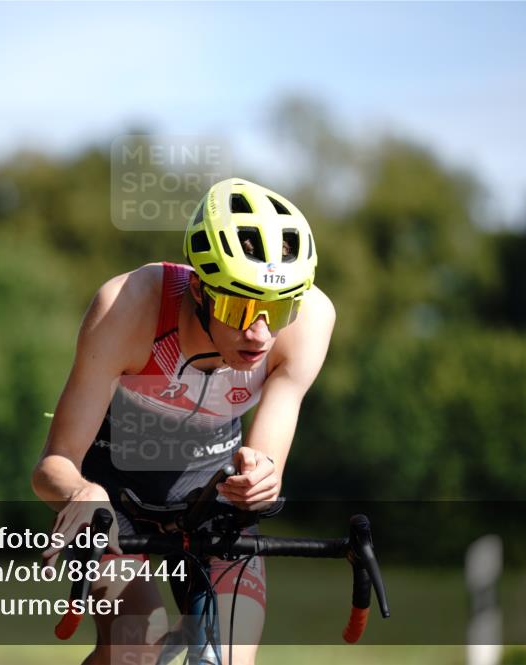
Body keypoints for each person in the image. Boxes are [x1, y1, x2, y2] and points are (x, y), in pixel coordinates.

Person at [31, 178, 336, 665]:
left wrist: (261, 479)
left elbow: (263, 465)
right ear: (199, 287)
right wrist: (79, 494)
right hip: (116, 500)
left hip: (209, 506)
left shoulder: (309, 320)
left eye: (277, 309)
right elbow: (53, 465)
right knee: (138, 649)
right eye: (240, 307)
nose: (259, 333)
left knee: (224, 660)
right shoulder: (129, 306)